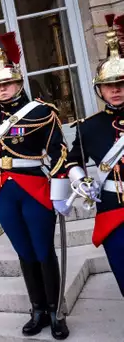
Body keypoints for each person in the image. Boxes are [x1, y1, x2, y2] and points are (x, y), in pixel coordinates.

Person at [0, 32, 70, 339]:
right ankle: (37, 309)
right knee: (24, 251)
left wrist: (60, 189)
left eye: (8, 84)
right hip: (3, 191)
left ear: (19, 82)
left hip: (34, 189)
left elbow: (58, 151)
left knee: (43, 250)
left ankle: (55, 311)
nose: (3, 90)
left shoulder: (42, 111)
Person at [66, 14, 124, 297]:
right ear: (99, 89)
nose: (116, 90)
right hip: (113, 212)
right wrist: (80, 179)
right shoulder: (88, 127)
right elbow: (71, 159)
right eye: (109, 85)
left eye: (122, 83)